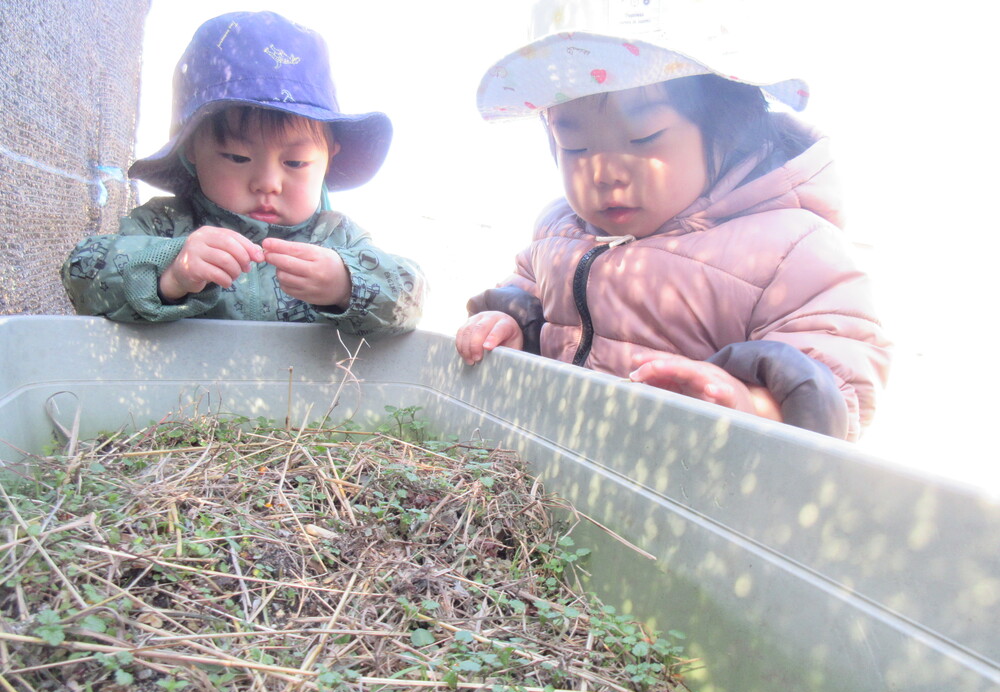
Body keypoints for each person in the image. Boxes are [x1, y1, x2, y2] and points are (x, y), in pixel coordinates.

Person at [456, 28, 891, 441]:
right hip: (557, 457)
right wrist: (510, 329)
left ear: (726, 131)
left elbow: (840, 385)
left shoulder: (791, 247)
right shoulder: (559, 231)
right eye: (575, 147)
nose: (603, 172)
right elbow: (530, 301)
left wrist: (751, 407)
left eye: (644, 137)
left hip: (694, 481)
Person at [62, 10, 425, 337]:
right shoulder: (164, 224)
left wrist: (347, 283)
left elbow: (411, 295)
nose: (267, 183)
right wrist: (171, 270)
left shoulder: (338, 237)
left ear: (329, 158)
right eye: (237, 157)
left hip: (303, 406)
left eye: (295, 163)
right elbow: (82, 271)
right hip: (179, 405)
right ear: (192, 152)